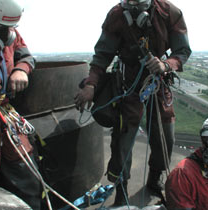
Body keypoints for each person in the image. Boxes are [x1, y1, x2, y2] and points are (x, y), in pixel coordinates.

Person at [75, 0, 191, 206]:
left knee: (165, 133)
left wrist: (166, 64)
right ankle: (122, 190)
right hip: (128, 83)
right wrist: (91, 84)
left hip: (158, 80)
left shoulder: (168, 12)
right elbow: (102, 55)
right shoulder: (117, 15)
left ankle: (154, 180)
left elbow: (182, 51)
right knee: (124, 136)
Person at [0, 0, 41, 209]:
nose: (6, 34)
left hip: (2, 114)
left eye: (10, 28)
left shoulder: (8, 31)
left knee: (27, 171)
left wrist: (21, 68)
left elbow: (26, 55)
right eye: (0, 27)